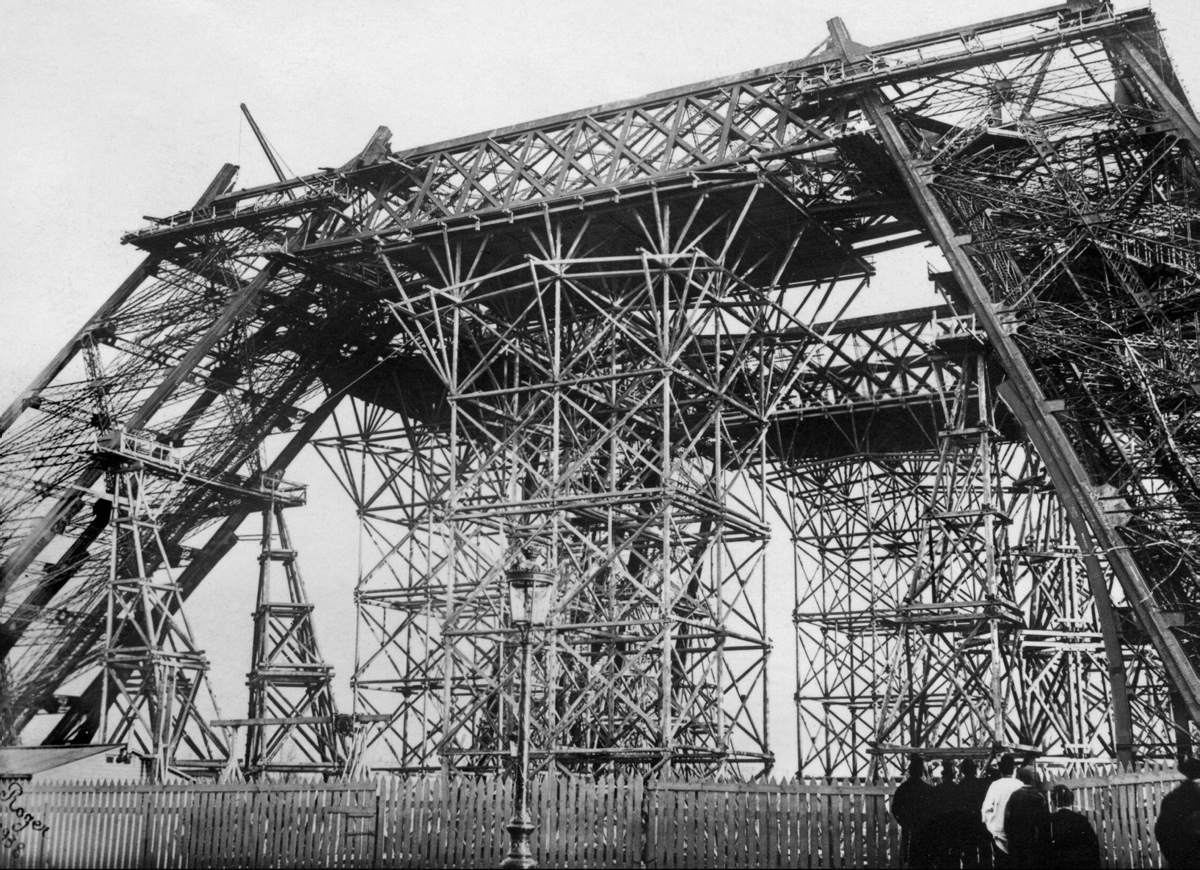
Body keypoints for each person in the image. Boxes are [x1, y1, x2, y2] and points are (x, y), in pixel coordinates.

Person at [1155, 757, 1200, 869]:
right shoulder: (1196, 798)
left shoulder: (1171, 798)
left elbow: (1160, 830)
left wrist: (1173, 858)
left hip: (1177, 860)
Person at [892, 754, 935, 868]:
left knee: (911, 860)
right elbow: (934, 811)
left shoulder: (903, 788)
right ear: (921, 772)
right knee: (925, 861)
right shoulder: (928, 789)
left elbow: (895, 809)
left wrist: (905, 823)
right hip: (925, 830)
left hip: (909, 829)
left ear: (910, 771)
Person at [1005, 766, 1053, 867]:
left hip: (1018, 840)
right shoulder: (1039, 796)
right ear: (1031, 779)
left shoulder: (1014, 796)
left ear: (1019, 778)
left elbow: (1007, 819)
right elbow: (1045, 823)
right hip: (1034, 840)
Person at [981, 754, 1023, 864]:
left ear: (1000, 770)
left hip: (1000, 834)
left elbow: (986, 809)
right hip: (1018, 833)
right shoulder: (1020, 785)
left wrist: (993, 825)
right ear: (1013, 769)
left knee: (1002, 863)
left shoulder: (995, 785)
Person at [1049, 783, 1100, 869]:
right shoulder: (1081, 820)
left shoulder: (1049, 821)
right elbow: (1093, 847)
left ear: (1053, 802)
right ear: (1072, 801)